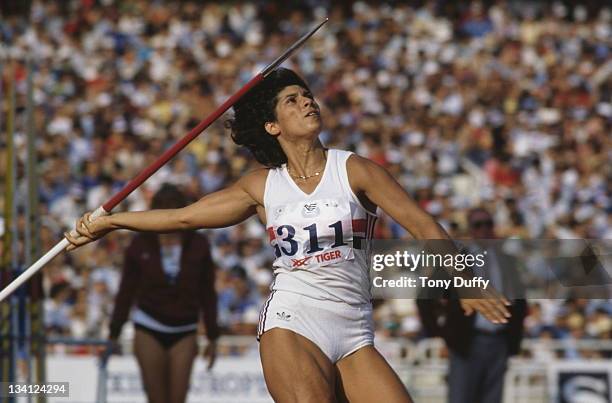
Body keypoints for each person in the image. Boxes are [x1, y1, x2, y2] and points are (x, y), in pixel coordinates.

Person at [66, 68, 511, 403]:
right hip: (294, 321)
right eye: (292, 101)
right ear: (273, 126)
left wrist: (465, 282)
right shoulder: (262, 187)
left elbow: (424, 226)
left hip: (355, 330)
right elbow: (184, 218)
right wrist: (112, 221)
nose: (307, 102)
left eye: (307, 95)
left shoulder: (354, 169)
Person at [106, 183, 219, 403]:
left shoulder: (198, 244)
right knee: (156, 398)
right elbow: (126, 290)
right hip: (149, 326)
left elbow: (208, 292)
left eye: (173, 209)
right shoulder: (140, 244)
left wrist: (213, 336)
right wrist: (114, 331)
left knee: (177, 398)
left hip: (184, 328)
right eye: (163, 209)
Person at [417, 207, 527, 403]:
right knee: (461, 397)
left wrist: (513, 340)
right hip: (466, 342)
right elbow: (425, 297)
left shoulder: (506, 261)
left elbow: (519, 301)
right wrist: (440, 334)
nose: (484, 229)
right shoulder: (457, 259)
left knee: (492, 399)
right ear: (471, 229)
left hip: (499, 341)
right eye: (478, 225)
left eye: (488, 224)